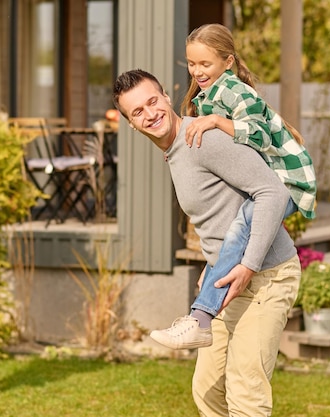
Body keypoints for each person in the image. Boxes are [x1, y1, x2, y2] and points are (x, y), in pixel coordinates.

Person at [113, 69, 301, 416]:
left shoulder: (203, 139)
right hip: (226, 280)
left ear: (167, 97)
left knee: (245, 389)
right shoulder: (176, 151)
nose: (150, 114)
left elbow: (272, 191)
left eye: (152, 101)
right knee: (207, 390)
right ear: (130, 124)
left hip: (266, 276)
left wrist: (248, 265)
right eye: (137, 112)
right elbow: (224, 212)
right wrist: (212, 261)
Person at [150, 23, 316, 349]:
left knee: (240, 227)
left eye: (205, 64)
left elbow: (260, 135)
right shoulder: (207, 95)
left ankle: (199, 318)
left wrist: (214, 121)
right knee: (236, 228)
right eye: (192, 64)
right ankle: (201, 315)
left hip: (290, 179)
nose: (197, 71)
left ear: (227, 62)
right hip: (272, 179)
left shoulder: (235, 92)